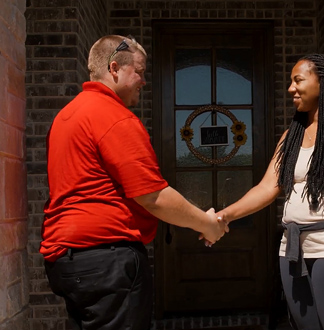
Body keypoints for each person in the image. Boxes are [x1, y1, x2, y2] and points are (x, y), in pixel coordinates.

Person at [41, 35, 228, 330]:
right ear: (114, 68)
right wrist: (207, 224)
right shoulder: (113, 117)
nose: (143, 81)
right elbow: (153, 196)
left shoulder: (66, 116)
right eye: (139, 72)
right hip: (107, 260)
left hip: (67, 260)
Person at [216, 54, 324, 329]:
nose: (291, 88)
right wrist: (224, 216)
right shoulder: (291, 136)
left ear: (323, 83)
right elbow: (268, 187)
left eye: (298, 80)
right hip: (291, 250)